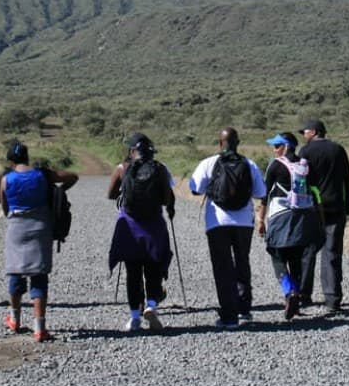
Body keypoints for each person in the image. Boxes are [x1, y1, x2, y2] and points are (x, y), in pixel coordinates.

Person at [189, 127, 267, 329]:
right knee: (242, 261)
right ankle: (244, 308)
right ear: (238, 143)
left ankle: (229, 316)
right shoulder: (249, 164)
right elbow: (261, 192)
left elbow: (195, 188)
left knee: (223, 267)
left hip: (217, 223)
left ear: (219, 143)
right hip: (244, 222)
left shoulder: (208, 163)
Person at [0, 141, 78, 342]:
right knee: (39, 275)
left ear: (10, 161)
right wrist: (59, 190)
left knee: (16, 273)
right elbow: (73, 177)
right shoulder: (42, 174)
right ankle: (40, 328)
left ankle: (14, 319)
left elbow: (5, 209)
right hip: (41, 227)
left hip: (16, 227)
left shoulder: (6, 180)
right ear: (27, 157)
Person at [107, 133, 175, 332]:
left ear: (131, 151)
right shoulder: (160, 169)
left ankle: (134, 317)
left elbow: (111, 194)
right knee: (154, 268)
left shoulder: (122, 168)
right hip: (154, 225)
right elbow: (166, 198)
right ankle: (151, 305)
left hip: (129, 226)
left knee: (132, 272)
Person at [256, 132, 324, 320]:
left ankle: (290, 291)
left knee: (277, 255)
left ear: (286, 147)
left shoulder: (275, 165)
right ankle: (297, 302)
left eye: (277, 146)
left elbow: (264, 194)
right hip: (305, 218)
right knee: (296, 257)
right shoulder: (306, 165)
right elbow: (316, 193)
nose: (274, 149)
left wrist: (260, 220)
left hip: (280, 217)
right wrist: (320, 222)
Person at [297, 120, 349, 314]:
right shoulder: (338, 149)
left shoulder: (305, 152)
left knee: (307, 253)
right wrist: (347, 206)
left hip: (311, 208)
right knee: (332, 253)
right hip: (335, 207)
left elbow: (300, 181)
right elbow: (347, 179)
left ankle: (304, 295)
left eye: (304, 132)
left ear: (313, 132)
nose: (303, 135)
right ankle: (332, 299)